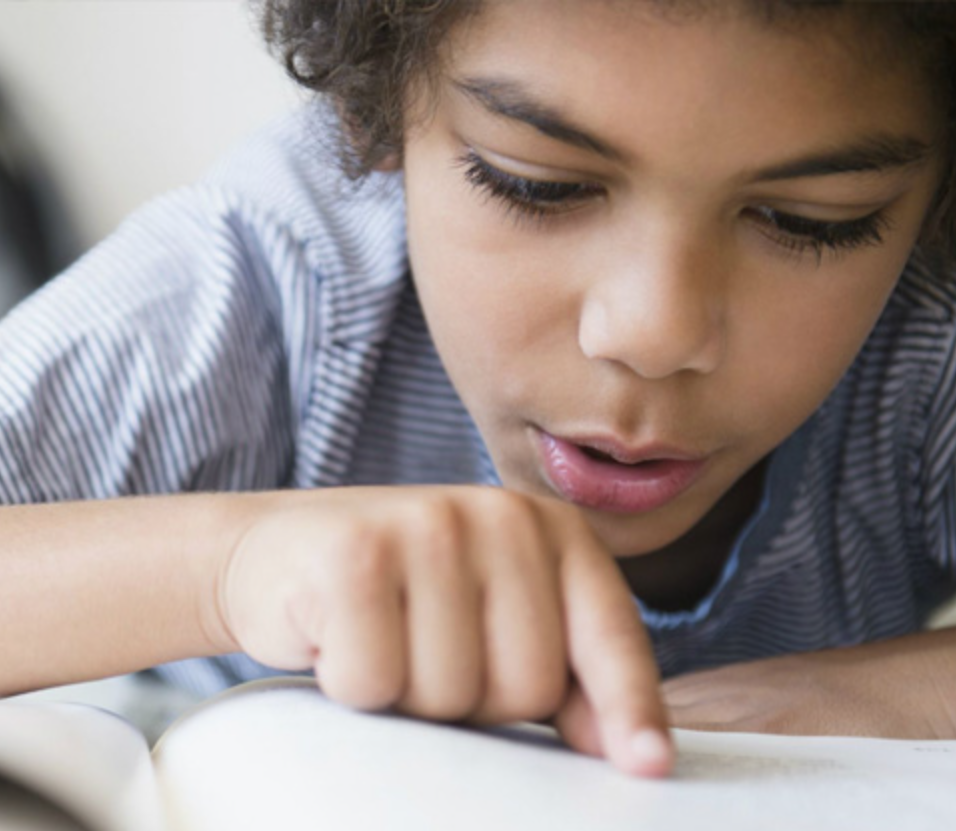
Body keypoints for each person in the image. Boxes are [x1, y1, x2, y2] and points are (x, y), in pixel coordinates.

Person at [2, 0, 955, 778]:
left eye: (811, 221)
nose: (652, 334)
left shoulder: (930, 322)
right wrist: (227, 568)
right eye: (536, 185)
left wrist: (869, 696)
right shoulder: (275, 281)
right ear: (372, 109)